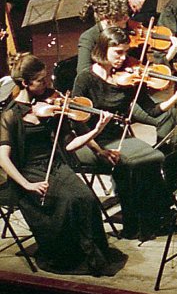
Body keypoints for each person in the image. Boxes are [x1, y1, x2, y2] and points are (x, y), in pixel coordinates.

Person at [0, 55, 126, 276]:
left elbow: (69, 145)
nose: (47, 83)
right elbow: (3, 158)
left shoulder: (52, 105)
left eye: (46, 77)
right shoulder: (10, 115)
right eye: (40, 80)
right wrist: (27, 185)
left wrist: (96, 131)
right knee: (67, 202)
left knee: (85, 197)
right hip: (28, 172)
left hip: (55, 165)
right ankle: (66, 256)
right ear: (25, 84)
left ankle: (93, 254)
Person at [71, 25, 177, 240]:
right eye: (117, 53)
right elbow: (77, 124)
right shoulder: (85, 79)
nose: (123, 58)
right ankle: (133, 224)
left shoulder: (125, 77)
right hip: (91, 142)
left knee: (150, 159)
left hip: (120, 138)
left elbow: (152, 110)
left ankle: (152, 217)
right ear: (102, 50)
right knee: (128, 164)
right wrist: (99, 150)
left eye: (125, 52)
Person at [76, 0, 131, 78]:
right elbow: (83, 74)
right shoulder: (89, 38)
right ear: (107, 19)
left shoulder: (125, 30)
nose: (127, 18)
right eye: (123, 17)